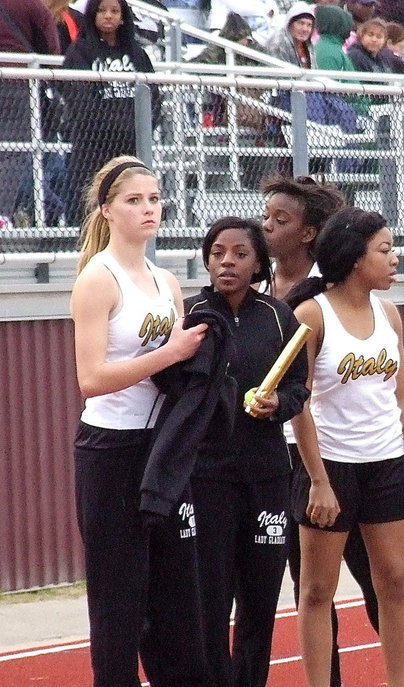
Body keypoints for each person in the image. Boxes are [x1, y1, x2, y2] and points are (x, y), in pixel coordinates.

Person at [261, 175, 404, 687]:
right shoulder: (310, 314)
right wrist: (319, 480)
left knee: (393, 581)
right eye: (385, 249)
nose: (395, 258)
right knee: (316, 590)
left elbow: (402, 393)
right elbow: (298, 403)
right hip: (329, 467)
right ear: (357, 258)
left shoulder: (390, 313)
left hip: (386, 464)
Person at [70, 155, 211, 687]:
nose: (148, 209)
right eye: (134, 200)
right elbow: (91, 378)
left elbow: (177, 373)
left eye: (154, 199)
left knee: (176, 595)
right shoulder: (96, 280)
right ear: (108, 211)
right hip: (110, 450)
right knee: (118, 600)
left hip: (163, 448)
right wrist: (170, 354)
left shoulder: (166, 280)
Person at [186, 216, 310, 687]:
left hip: (266, 479)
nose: (227, 262)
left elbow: (299, 388)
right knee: (210, 602)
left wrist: (278, 402)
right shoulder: (192, 313)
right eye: (218, 253)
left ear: (259, 261)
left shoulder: (280, 317)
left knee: (258, 603)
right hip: (207, 478)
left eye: (239, 253)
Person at [60, 0, 160, 226]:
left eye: (115, 11)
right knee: (92, 210)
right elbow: (76, 97)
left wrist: (140, 128)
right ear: (92, 15)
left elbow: (153, 96)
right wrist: (107, 127)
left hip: (131, 147)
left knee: (130, 204)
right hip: (91, 148)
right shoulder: (80, 52)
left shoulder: (137, 54)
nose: (108, 16)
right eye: (102, 11)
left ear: (123, 16)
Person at [0, 0, 60, 225]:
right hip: (18, 83)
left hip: (18, 83)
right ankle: (1, 215)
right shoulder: (31, 5)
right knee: (13, 152)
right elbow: (52, 50)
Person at [262, 1, 316, 68]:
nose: (305, 29)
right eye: (301, 23)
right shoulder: (278, 43)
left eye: (309, 25)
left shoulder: (307, 45)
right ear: (290, 24)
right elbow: (280, 75)